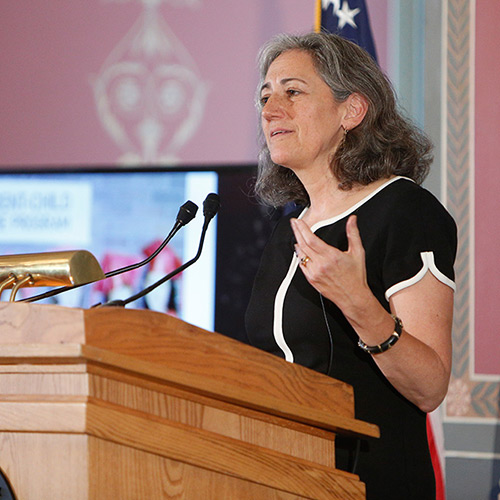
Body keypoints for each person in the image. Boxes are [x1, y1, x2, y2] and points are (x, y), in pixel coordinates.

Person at [245, 32, 457, 500]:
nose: (270, 109)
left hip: (369, 483)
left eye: (292, 91)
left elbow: (429, 387)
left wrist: (357, 302)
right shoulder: (290, 230)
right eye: (265, 95)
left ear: (352, 110)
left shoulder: (406, 212)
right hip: (283, 478)